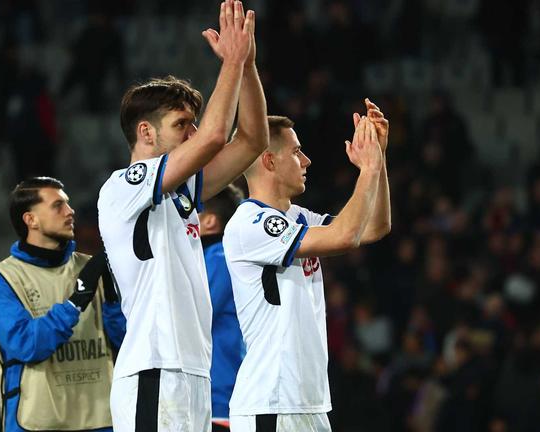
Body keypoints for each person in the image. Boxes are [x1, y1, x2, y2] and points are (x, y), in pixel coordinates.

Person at [97, 1, 268, 430]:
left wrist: (246, 65)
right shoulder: (124, 186)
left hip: (193, 372)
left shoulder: (180, 191)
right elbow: (213, 137)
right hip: (154, 368)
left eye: (192, 124)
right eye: (181, 124)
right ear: (145, 131)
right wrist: (229, 62)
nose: (192, 133)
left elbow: (252, 140)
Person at [222, 105, 392, 432]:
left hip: (306, 403)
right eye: (297, 152)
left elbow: (374, 227)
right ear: (269, 161)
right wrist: (367, 170)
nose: (306, 161)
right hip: (271, 402)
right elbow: (345, 235)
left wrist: (378, 160)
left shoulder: (299, 218)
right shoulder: (250, 224)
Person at [0, 177, 125, 432]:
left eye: (68, 204)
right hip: (37, 423)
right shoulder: (2, 279)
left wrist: (114, 301)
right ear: (31, 220)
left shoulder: (92, 267)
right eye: (58, 205)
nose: (70, 212)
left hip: (103, 420)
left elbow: (124, 345)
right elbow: (27, 345)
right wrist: (75, 303)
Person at [202, 185, 246, 431]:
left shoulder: (218, 257)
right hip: (221, 393)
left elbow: (193, 318)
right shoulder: (222, 255)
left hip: (219, 397)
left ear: (209, 221)